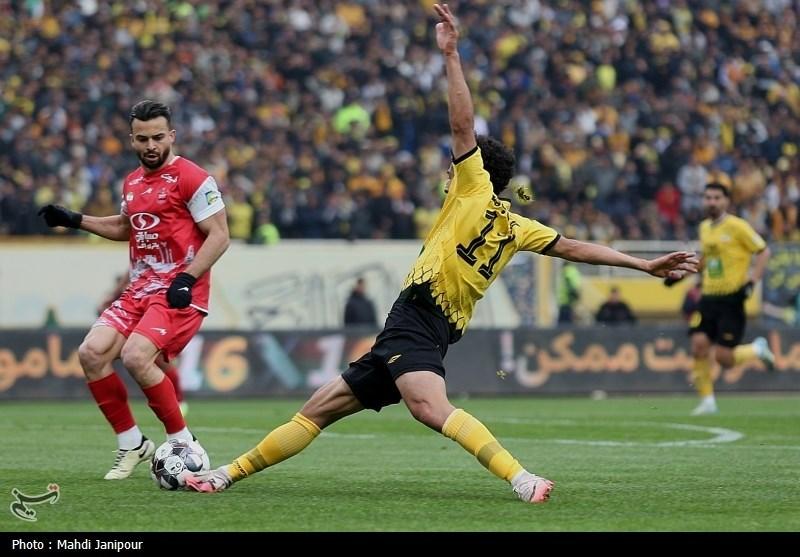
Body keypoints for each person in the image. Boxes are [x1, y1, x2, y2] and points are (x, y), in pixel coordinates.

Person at [184, 4, 697, 503]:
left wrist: (450, 56)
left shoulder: (472, 188)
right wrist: (641, 263)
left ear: (475, 169)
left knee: (429, 408)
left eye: (455, 167)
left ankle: (522, 478)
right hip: (416, 325)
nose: (449, 173)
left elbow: (461, 125)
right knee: (317, 410)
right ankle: (224, 476)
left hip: (419, 317)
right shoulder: (518, 226)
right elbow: (575, 248)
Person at [38, 100, 230, 479]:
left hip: (176, 290)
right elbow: (127, 228)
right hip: (139, 290)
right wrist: (75, 220)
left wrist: (187, 278)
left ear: (171, 136)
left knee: (136, 356)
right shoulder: (132, 182)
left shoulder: (193, 178)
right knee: (91, 353)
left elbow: (220, 235)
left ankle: (183, 442)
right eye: (142, 139)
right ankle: (132, 444)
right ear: (132, 140)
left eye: (158, 137)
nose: (151, 145)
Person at [665, 182, 774, 416]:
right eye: (708, 198)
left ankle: (756, 349)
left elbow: (764, 251)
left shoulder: (737, 226)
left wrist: (752, 281)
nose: (712, 202)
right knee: (698, 345)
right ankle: (707, 401)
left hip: (732, 299)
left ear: (726, 201)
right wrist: (681, 276)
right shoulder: (704, 227)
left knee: (723, 358)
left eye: (716, 198)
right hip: (708, 297)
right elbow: (706, 259)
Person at [98, 273, 189, 416]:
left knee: (161, 361)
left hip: (153, 323)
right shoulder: (122, 297)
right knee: (108, 359)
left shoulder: (150, 285)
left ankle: (178, 400)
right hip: (131, 328)